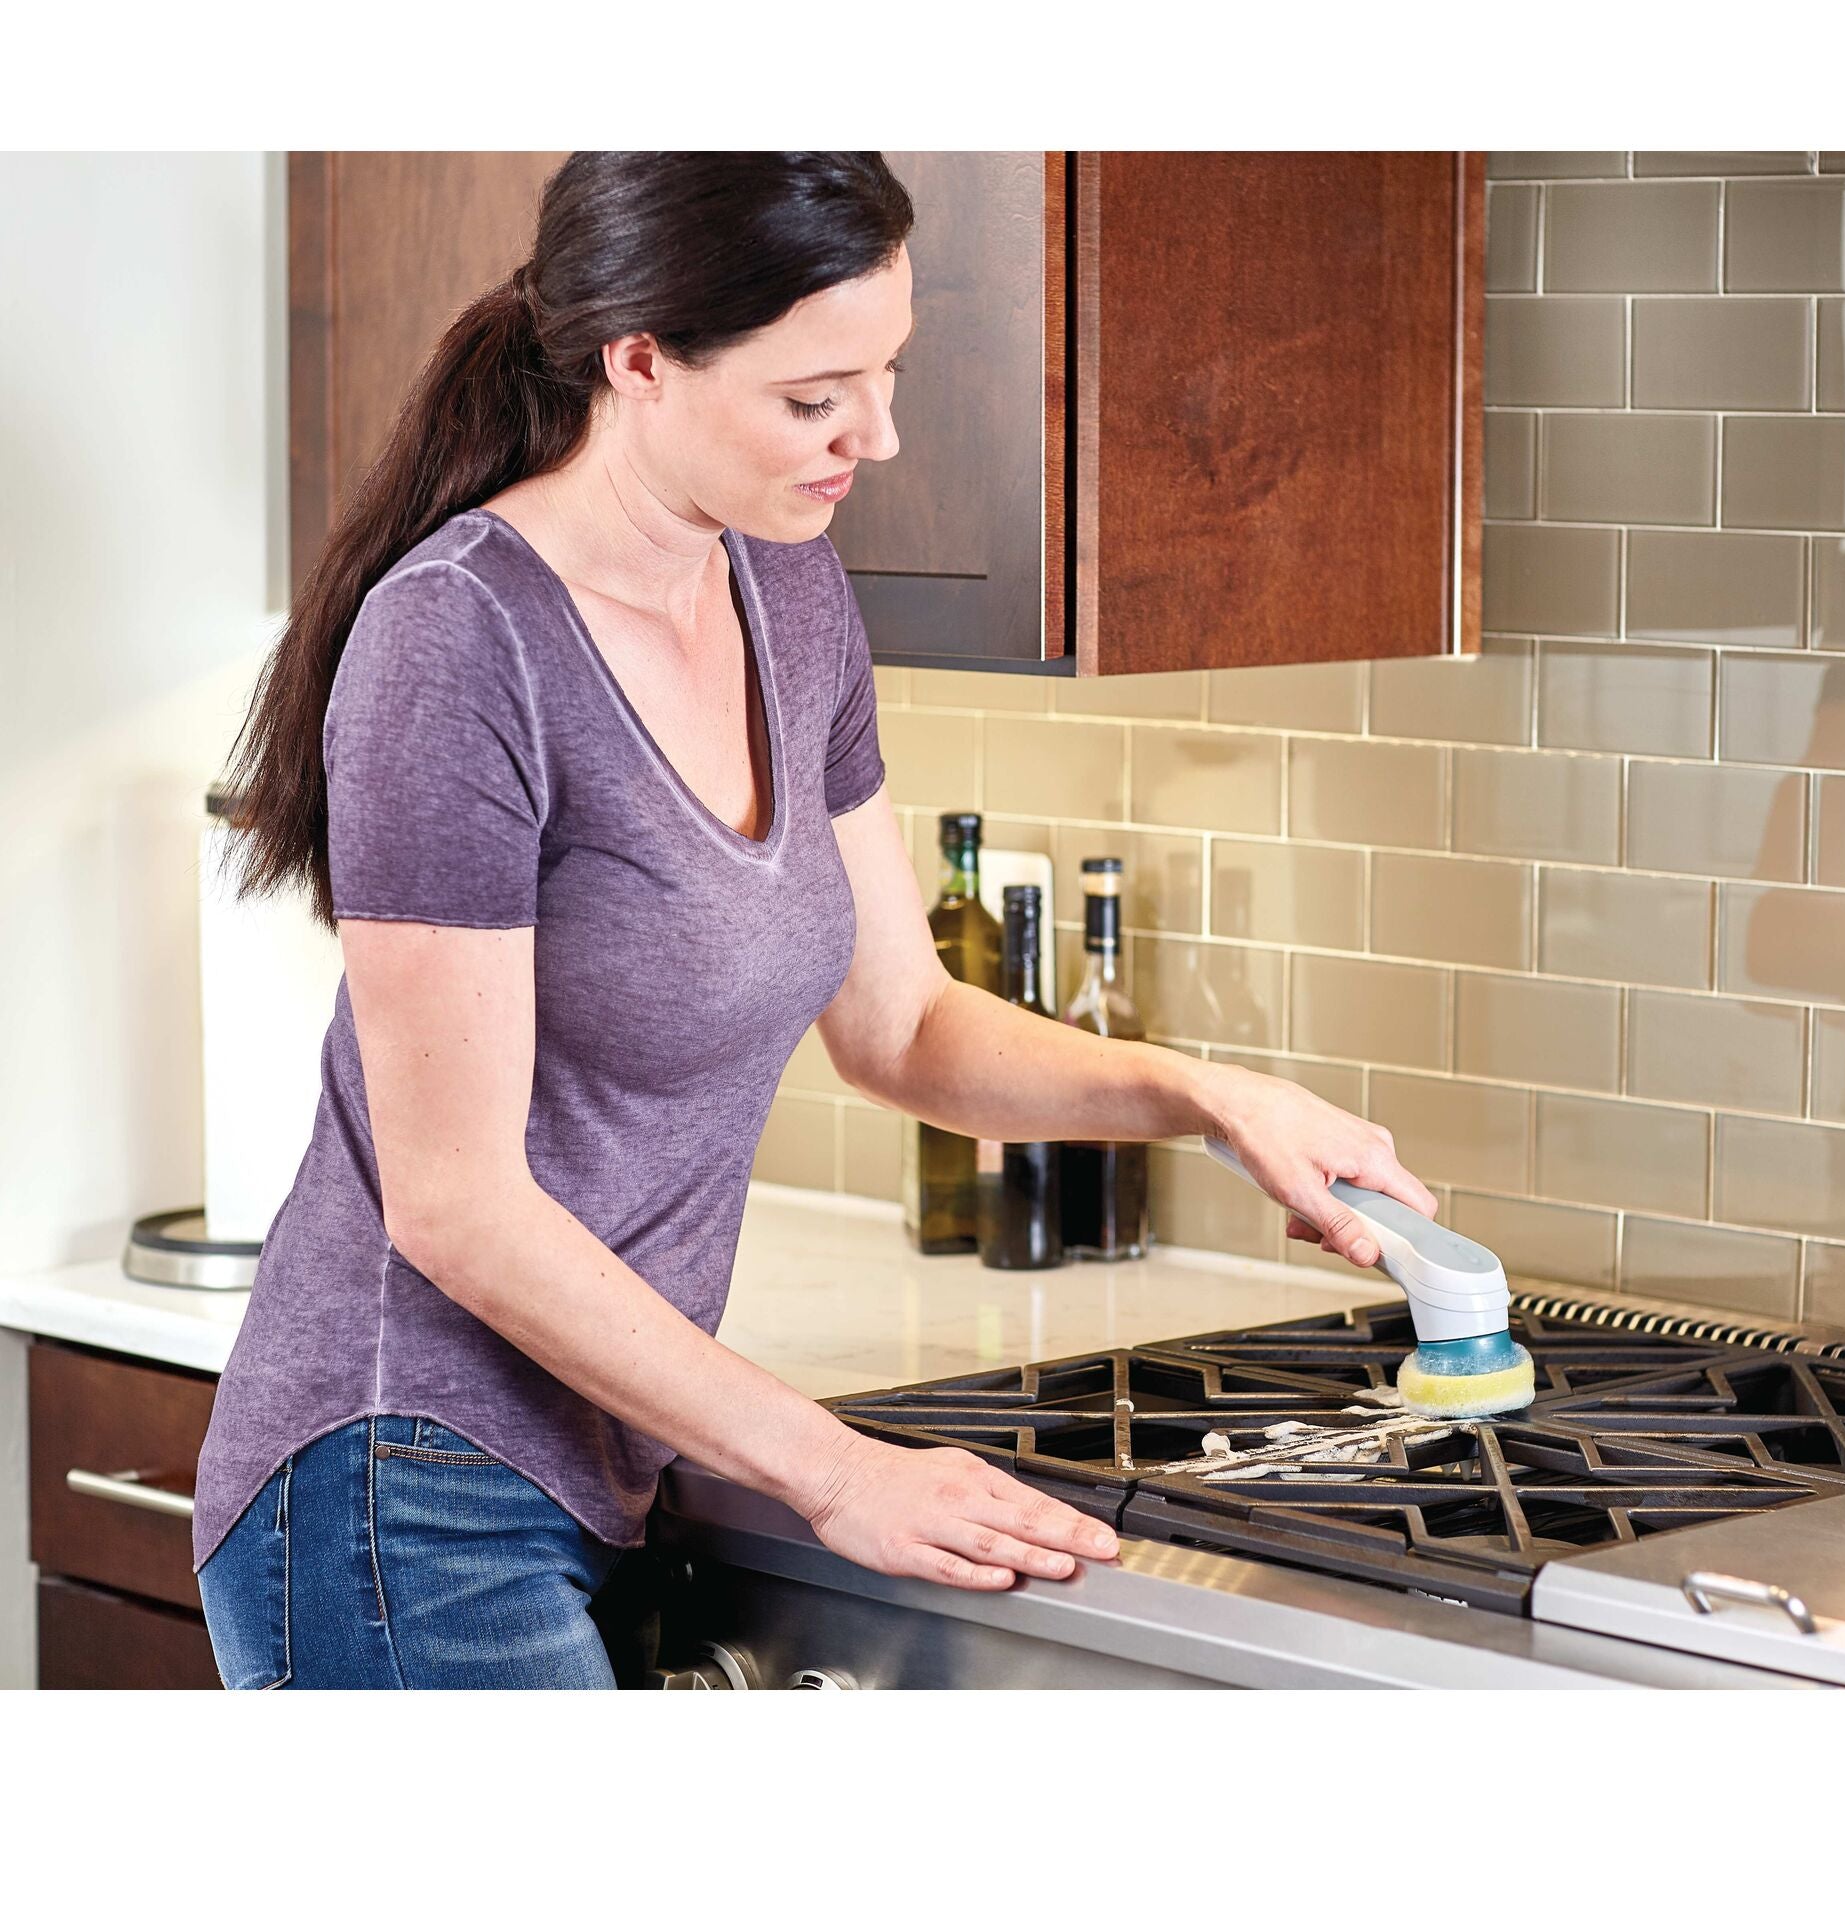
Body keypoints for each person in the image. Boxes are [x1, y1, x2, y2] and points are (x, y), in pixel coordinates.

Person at [191, 151, 1436, 1689]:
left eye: (887, 373)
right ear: (637, 360)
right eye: (814, 395)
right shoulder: (459, 640)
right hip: (401, 1486)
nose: (879, 434)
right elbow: (454, 1207)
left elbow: (902, 1024)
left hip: (612, 1463)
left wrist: (1208, 1099)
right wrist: (833, 1470)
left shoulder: (787, 591)